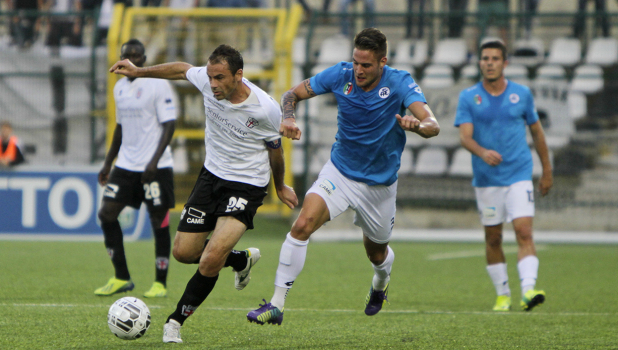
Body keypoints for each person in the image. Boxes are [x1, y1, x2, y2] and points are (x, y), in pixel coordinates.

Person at [247, 27, 440, 325]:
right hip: (340, 172)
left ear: (382, 62)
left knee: (376, 253)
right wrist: (288, 116)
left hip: (379, 186)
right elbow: (291, 94)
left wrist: (418, 127)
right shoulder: (340, 74)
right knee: (302, 225)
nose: (358, 70)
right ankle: (276, 305)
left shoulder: (400, 83)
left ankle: (379, 283)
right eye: (355, 62)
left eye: (366, 65)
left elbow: (432, 124)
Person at [109, 43, 298, 343]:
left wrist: (280, 185)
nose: (212, 84)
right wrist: (138, 71)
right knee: (184, 253)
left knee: (210, 259)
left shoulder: (265, 108)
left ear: (238, 75)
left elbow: (275, 152)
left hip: (247, 186)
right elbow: (182, 69)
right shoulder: (208, 83)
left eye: (220, 78)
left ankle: (174, 322)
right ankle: (239, 260)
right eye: (210, 77)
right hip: (211, 178)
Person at [454, 40, 552, 312]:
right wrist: (482, 152)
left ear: (505, 63)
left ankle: (528, 290)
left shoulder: (522, 94)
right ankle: (502, 294)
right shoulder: (468, 97)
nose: (489, 62)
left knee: (523, 231)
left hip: (519, 173)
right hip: (487, 179)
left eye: (495, 58)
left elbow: (537, 133)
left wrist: (547, 171)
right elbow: (465, 137)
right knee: (493, 238)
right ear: (480, 63)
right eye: (485, 58)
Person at [94, 39, 178, 299]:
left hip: (156, 166)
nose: (132, 59)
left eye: (137, 55)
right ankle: (121, 277)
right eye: (127, 56)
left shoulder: (158, 84)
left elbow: (169, 124)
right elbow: (120, 128)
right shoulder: (119, 88)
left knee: (158, 221)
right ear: (120, 59)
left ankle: (160, 282)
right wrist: (108, 163)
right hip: (126, 165)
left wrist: (154, 160)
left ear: (144, 58)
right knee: (107, 214)